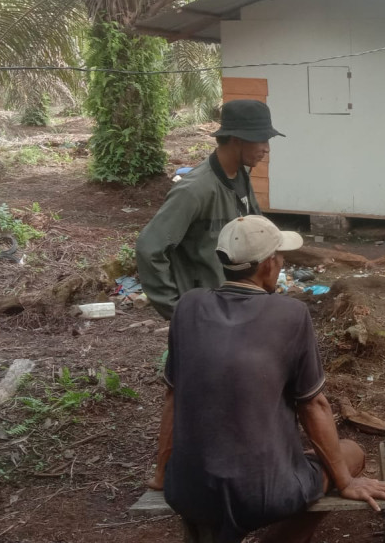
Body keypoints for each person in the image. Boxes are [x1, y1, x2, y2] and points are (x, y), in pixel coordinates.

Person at [163, 215, 385, 543]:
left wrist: (159, 472)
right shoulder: (290, 314)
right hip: (263, 493)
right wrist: (346, 482)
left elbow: (172, 398)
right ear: (266, 264)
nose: (282, 262)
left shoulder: (188, 307)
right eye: (280, 256)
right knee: (352, 454)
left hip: (188, 487)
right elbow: (314, 406)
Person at [136, 98, 283, 490]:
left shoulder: (240, 178)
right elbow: (151, 249)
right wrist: (177, 310)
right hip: (204, 311)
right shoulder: (196, 189)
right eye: (260, 140)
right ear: (234, 139)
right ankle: (163, 473)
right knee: (182, 390)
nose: (267, 147)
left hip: (236, 305)